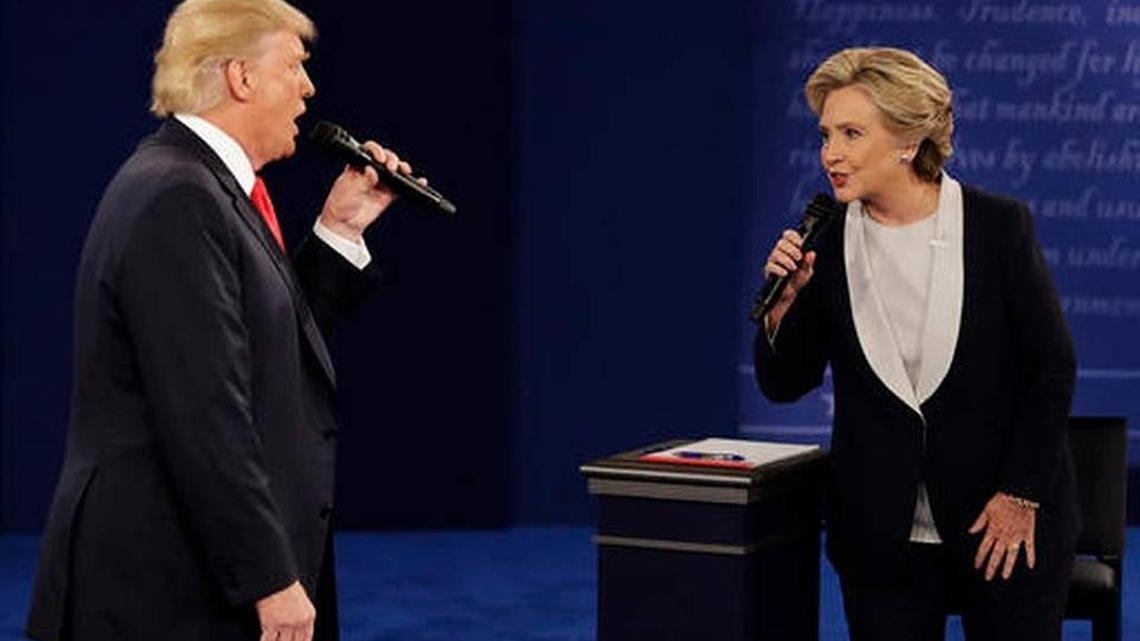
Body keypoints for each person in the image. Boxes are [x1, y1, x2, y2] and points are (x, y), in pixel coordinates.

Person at [25, 1, 421, 639]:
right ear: (241, 77)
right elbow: (205, 410)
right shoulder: (178, 197)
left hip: (190, 573)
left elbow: (263, 354)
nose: (308, 88)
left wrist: (340, 229)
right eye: (294, 65)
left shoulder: (201, 185)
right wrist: (268, 575)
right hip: (164, 588)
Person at [754, 47, 1078, 640]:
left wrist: (1020, 495)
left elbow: (1051, 368)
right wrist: (781, 306)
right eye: (826, 133)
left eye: (852, 133)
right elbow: (784, 383)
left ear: (908, 141)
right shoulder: (822, 240)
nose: (831, 152)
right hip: (881, 530)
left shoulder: (997, 226)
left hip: (1000, 522)